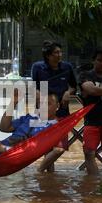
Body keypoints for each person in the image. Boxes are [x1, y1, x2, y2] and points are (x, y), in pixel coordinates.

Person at [30, 40, 76, 171]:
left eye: (60, 52)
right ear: (48, 56)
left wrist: (68, 92)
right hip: (43, 114)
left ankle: (39, 172)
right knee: (47, 149)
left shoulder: (67, 67)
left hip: (62, 112)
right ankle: (48, 181)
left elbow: (74, 86)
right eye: (56, 52)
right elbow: (34, 87)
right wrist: (40, 96)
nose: (60, 54)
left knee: (60, 148)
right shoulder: (37, 67)